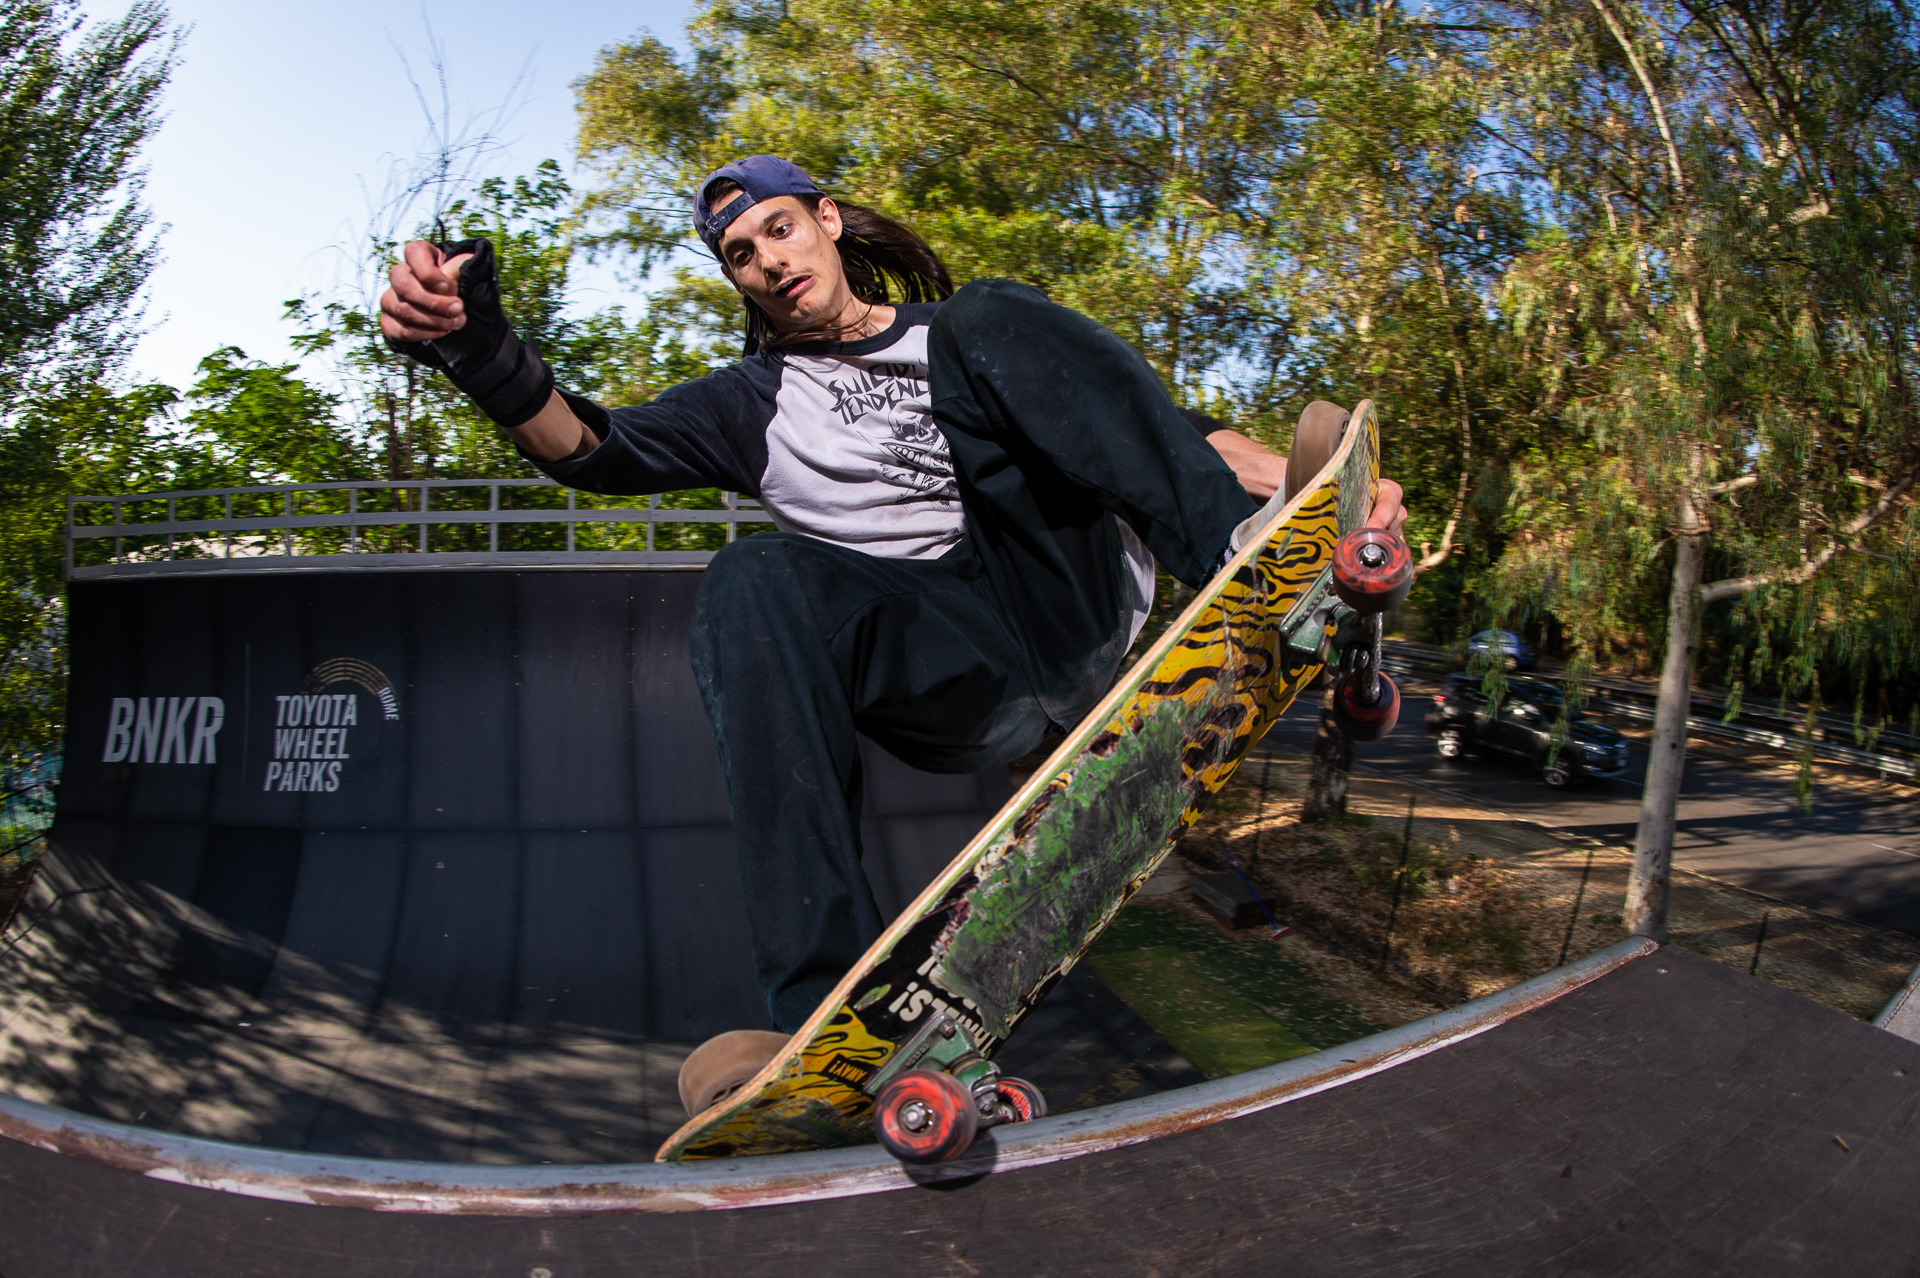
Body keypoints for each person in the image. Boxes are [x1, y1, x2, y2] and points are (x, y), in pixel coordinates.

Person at [379, 155, 1407, 1114]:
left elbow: (1169, 434)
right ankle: (823, 1017)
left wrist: (1327, 507)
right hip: (952, 674)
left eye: (780, 230)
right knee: (751, 578)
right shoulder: (751, 404)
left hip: (1063, 605)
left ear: (826, 223)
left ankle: (1247, 554)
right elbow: (594, 448)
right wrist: (484, 356)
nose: (770, 263)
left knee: (990, 312)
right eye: (742, 256)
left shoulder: (966, 336)